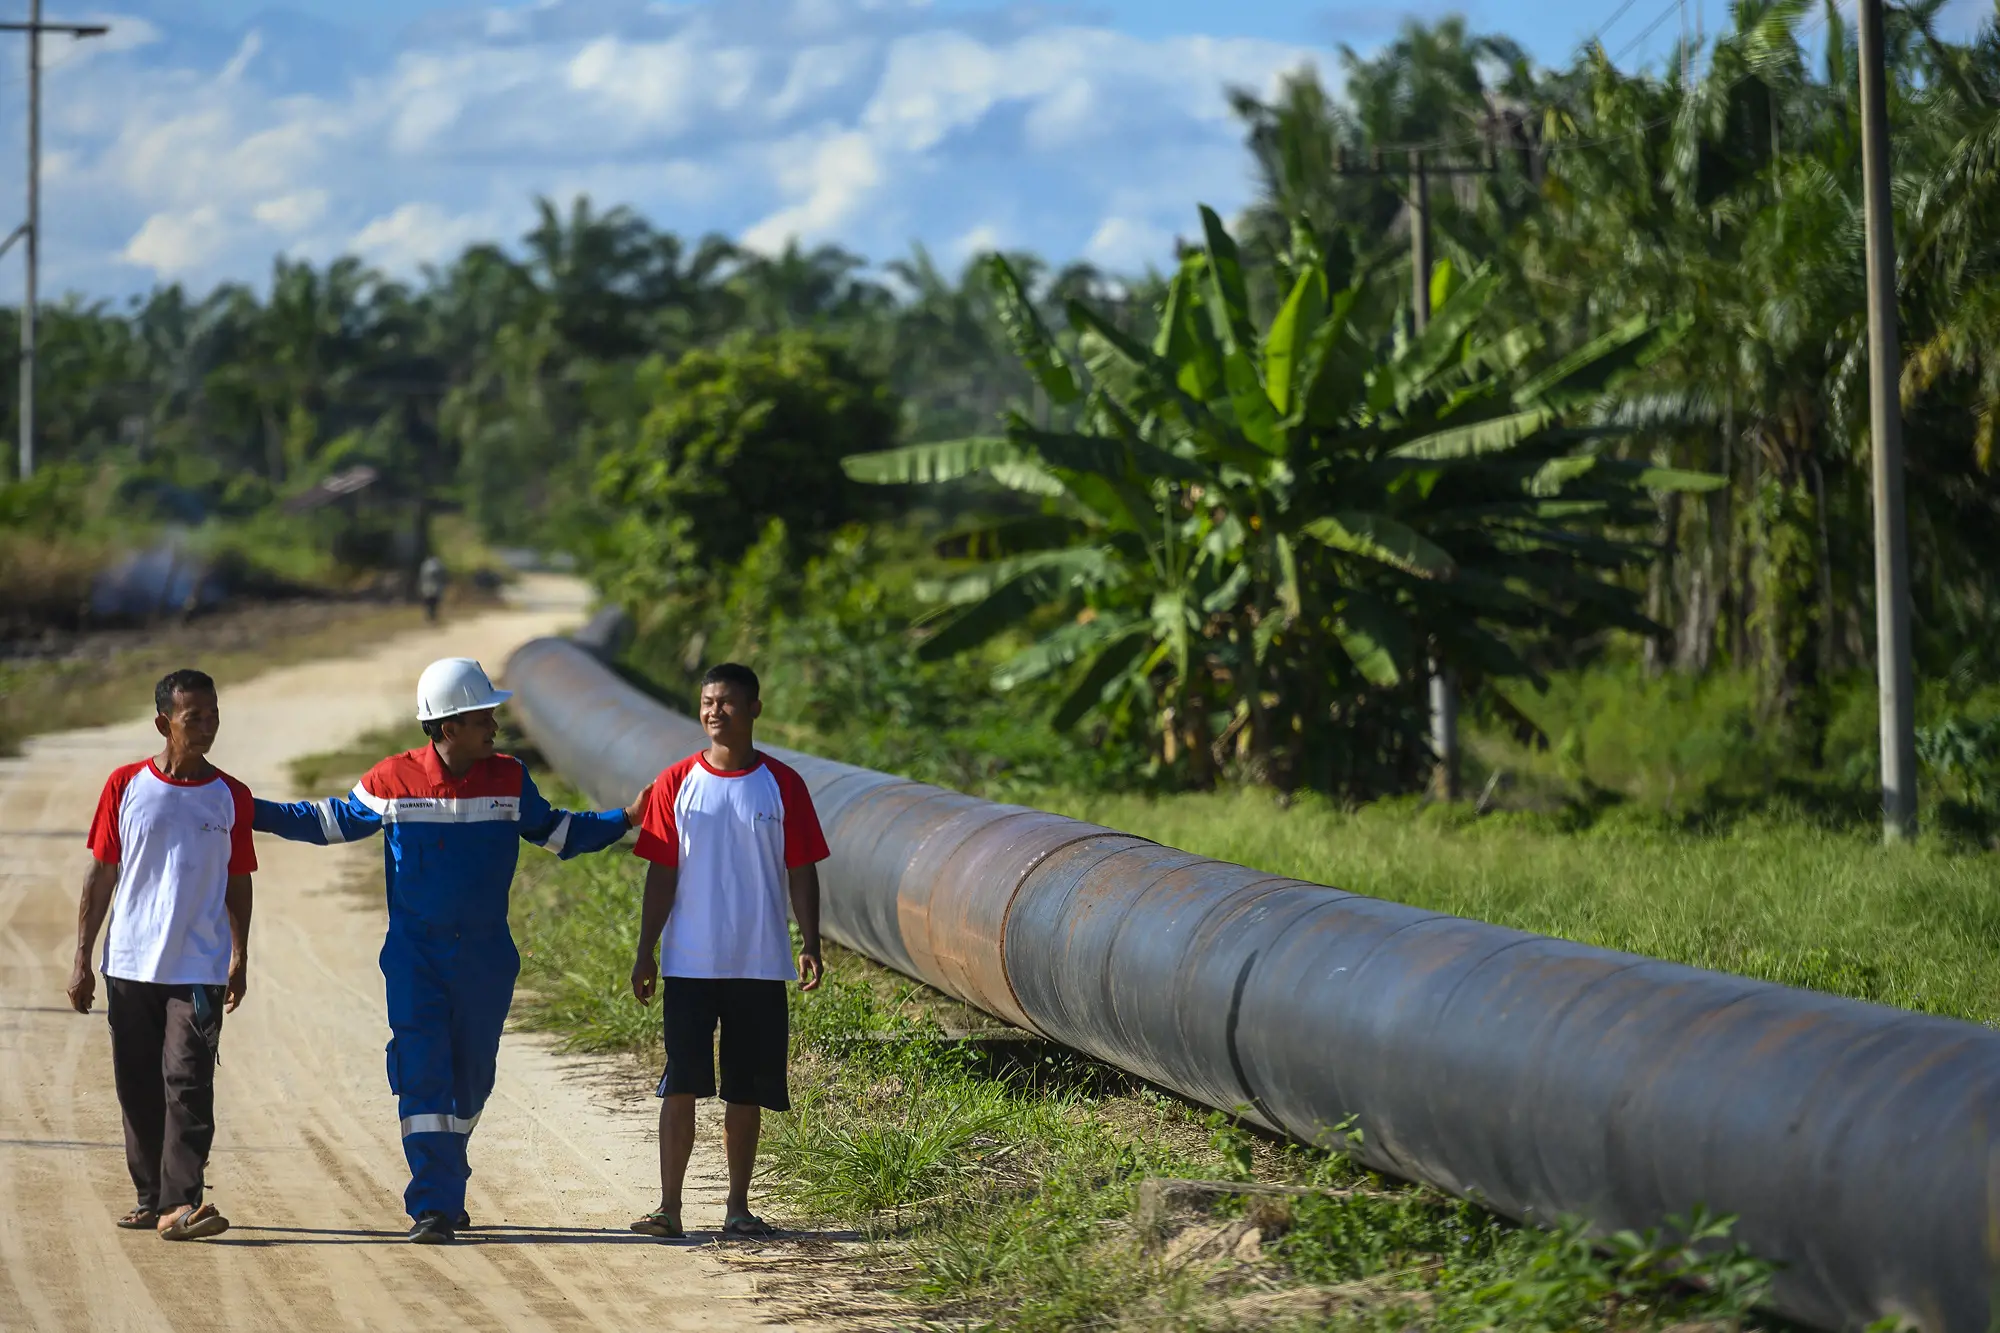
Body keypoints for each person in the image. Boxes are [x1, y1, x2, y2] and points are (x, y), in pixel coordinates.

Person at [251, 657, 648, 1244]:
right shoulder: (392, 779)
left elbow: (558, 832)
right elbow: (326, 821)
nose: (495, 726)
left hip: (486, 959)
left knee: (472, 1080)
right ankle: (434, 1205)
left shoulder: (509, 778)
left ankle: (447, 1173)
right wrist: (246, 809)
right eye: (483, 717)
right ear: (447, 727)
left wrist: (626, 819)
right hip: (415, 958)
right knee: (423, 1075)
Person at [627, 661, 827, 1241]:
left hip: (759, 963)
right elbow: (661, 873)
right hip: (690, 962)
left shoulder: (783, 784)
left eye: (728, 702)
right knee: (680, 1083)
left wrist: (810, 941)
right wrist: (646, 950)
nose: (715, 712)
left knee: (747, 1088)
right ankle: (669, 1209)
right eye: (707, 702)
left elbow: (802, 868)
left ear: (755, 709)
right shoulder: (675, 782)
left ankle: (737, 1209)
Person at [69, 668, 254, 1242]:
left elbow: (238, 878)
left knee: (188, 1080)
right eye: (193, 717)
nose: (207, 726)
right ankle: (151, 1197)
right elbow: (101, 874)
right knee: (137, 1084)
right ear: (163, 723)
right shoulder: (125, 785)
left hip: (198, 966)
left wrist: (240, 954)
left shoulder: (231, 795)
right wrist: (81, 959)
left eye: (213, 715)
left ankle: (181, 1203)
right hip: (128, 962)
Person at [417, 554, 447, 624]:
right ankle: (432, 619)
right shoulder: (438, 565)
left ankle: (429, 619)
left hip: (426, 588)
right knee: (433, 604)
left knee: (428, 604)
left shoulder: (425, 565)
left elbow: (421, 577)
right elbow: (442, 576)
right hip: (434, 588)